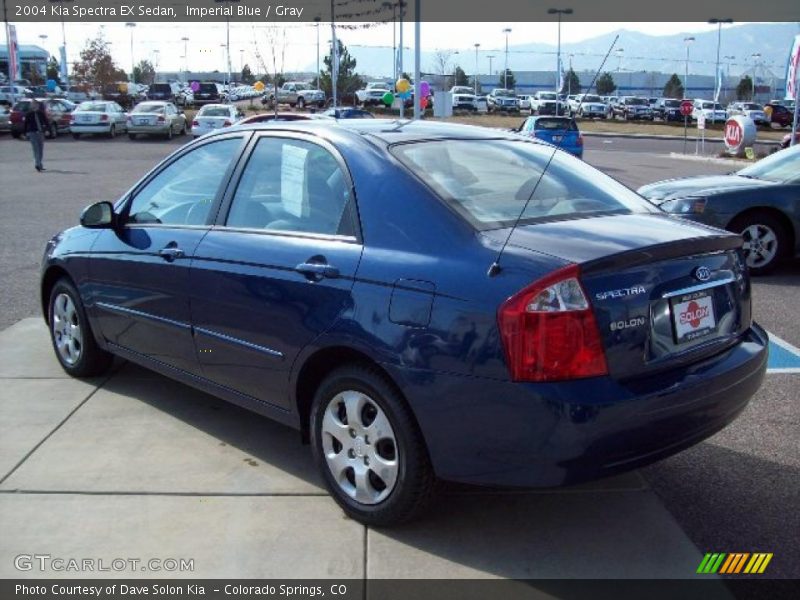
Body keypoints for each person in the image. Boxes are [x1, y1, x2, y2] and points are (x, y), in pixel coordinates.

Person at [23, 100, 49, 172]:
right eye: (33, 104)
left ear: (38, 105)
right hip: (32, 133)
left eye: (35, 104)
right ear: (31, 106)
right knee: (36, 149)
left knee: (40, 149)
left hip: (40, 133)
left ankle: (39, 164)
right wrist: (24, 133)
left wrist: (47, 130)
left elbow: (46, 122)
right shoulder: (29, 114)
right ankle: (37, 164)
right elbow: (25, 124)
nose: (34, 106)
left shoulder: (41, 113)